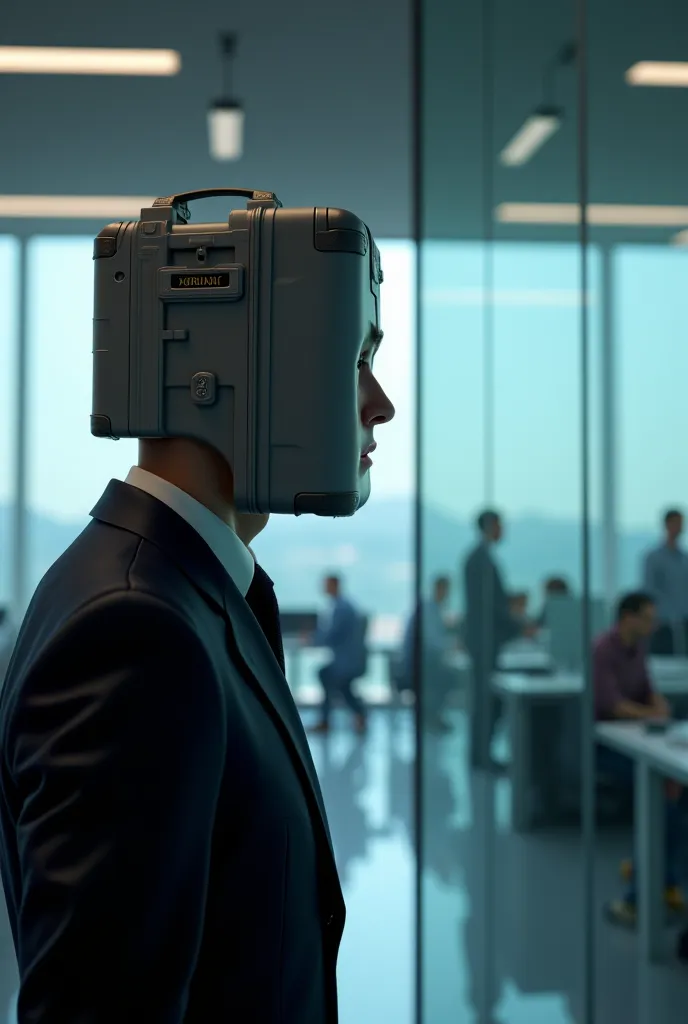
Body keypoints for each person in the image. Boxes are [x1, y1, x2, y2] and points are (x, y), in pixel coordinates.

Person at [0, 331, 394, 1020]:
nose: (381, 404)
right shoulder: (137, 630)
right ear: (229, 378)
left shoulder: (168, 590)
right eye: (355, 359)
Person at [595, 591, 685, 927]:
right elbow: (613, 706)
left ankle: (666, 878)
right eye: (647, 617)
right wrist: (651, 713)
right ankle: (637, 898)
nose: (652, 625)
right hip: (609, 747)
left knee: (675, 796)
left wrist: (658, 704)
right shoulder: (603, 649)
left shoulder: (638, 649)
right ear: (627, 617)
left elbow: (647, 689)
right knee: (663, 800)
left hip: (638, 737)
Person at [463, 510, 537, 769]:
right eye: (500, 525)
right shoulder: (481, 560)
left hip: (484, 641)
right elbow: (491, 608)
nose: (503, 531)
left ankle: (482, 756)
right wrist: (519, 625)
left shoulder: (480, 558)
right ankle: (482, 758)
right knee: (486, 702)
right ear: (492, 525)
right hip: (485, 643)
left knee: (486, 701)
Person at [308, 575, 368, 735]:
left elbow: (332, 635)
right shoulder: (344, 605)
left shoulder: (341, 608)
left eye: (326, 585)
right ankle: (358, 714)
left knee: (326, 676)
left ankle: (326, 721)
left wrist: (312, 640)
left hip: (347, 662)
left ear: (335, 585)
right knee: (341, 686)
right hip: (351, 660)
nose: (324, 588)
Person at [402, 575, 455, 733]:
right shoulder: (429, 610)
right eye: (445, 590)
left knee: (446, 675)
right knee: (449, 678)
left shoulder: (432, 609)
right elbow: (432, 641)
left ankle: (433, 715)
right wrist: (451, 646)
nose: (447, 594)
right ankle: (432, 716)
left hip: (423, 660)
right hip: (417, 663)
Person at [643, 508, 688, 656]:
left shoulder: (684, 560)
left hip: (684, 623)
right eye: (676, 523)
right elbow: (649, 590)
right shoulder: (654, 558)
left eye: (681, 524)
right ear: (667, 525)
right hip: (661, 624)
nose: (680, 528)